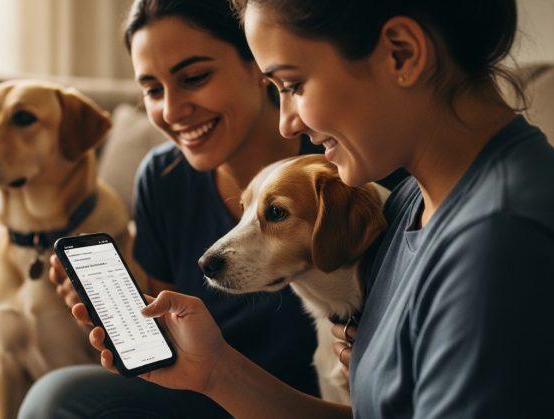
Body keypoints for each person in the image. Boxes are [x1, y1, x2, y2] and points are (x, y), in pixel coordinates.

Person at [72, 0, 554, 417]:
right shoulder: (414, 201)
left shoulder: (497, 243)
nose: (287, 124)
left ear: (401, 53)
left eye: (293, 84)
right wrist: (215, 370)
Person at [17, 0, 398, 416]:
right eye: (151, 89)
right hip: (206, 392)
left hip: (308, 399)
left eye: (195, 77)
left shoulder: (348, 160)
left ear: (259, 66)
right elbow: (167, 322)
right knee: (60, 395)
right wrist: (122, 307)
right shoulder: (162, 179)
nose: (172, 110)